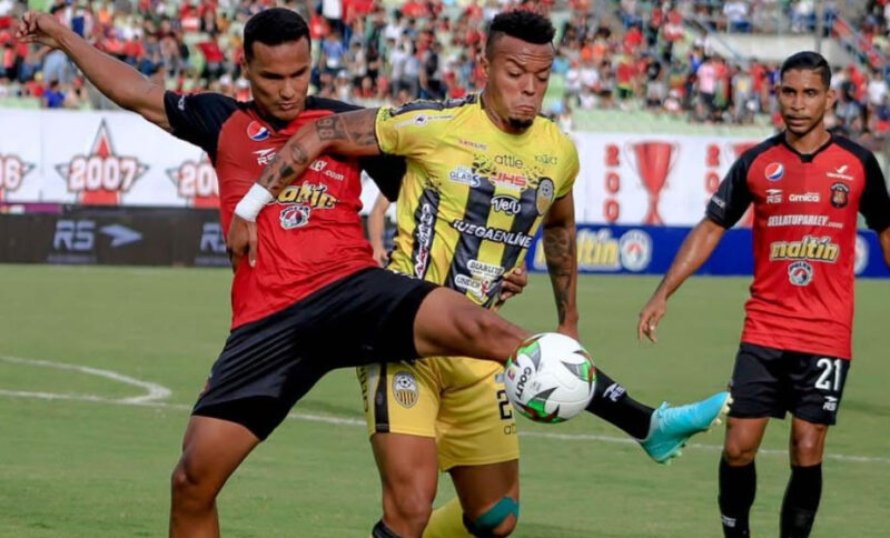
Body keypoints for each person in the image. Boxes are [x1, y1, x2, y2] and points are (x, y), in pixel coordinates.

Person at [15, 8, 531, 537]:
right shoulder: (222, 121)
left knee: (492, 496)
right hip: (269, 323)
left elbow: (436, 201)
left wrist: (492, 266)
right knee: (192, 479)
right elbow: (136, 92)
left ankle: (604, 400)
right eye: (271, 77)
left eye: (299, 74)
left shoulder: (349, 123)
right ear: (244, 67)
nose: (288, 91)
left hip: (351, 292)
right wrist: (60, 35)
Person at [230, 11, 731, 538]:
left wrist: (569, 322)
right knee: (410, 506)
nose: (530, 88)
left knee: (496, 518)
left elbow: (558, 230)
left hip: (480, 352)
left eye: (541, 76)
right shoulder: (435, 124)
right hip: (405, 342)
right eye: (516, 73)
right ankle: (645, 422)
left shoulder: (557, 150)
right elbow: (324, 131)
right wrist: (252, 205)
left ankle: (645, 424)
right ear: (484, 66)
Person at [637, 51, 890, 538]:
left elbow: (886, 228)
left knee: (807, 446)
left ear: (830, 98)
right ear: (777, 95)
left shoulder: (858, 164)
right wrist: (663, 292)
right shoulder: (757, 163)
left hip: (827, 330)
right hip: (766, 327)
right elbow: (712, 226)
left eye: (809, 93)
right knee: (738, 447)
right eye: (789, 92)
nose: (798, 104)